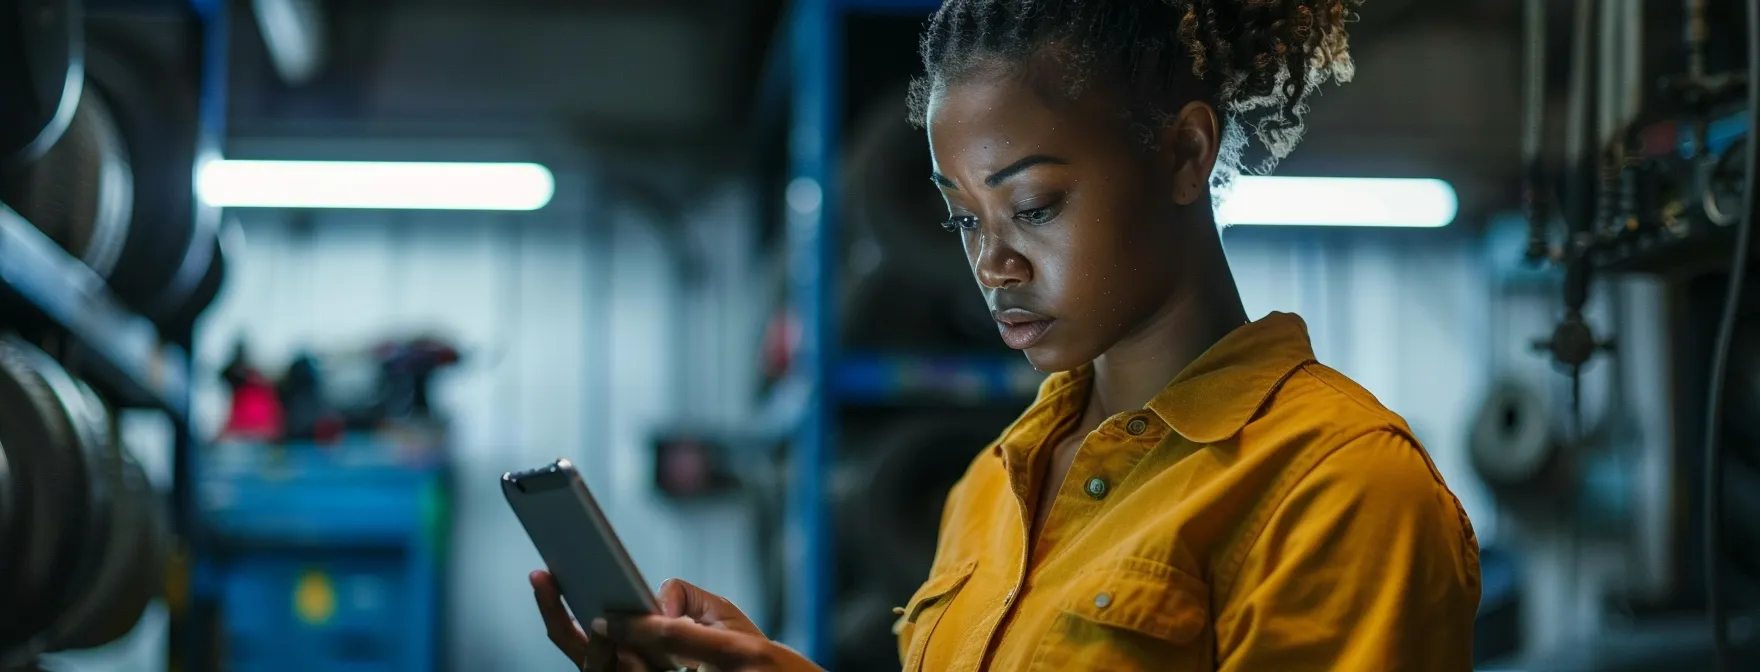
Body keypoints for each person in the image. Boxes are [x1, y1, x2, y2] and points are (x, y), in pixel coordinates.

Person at [532, 0, 1481, 669]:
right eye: (962, 217)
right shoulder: (994, 489)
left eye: (1034, 204)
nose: (992, 263)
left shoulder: (1341, 490)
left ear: (1186, 153)